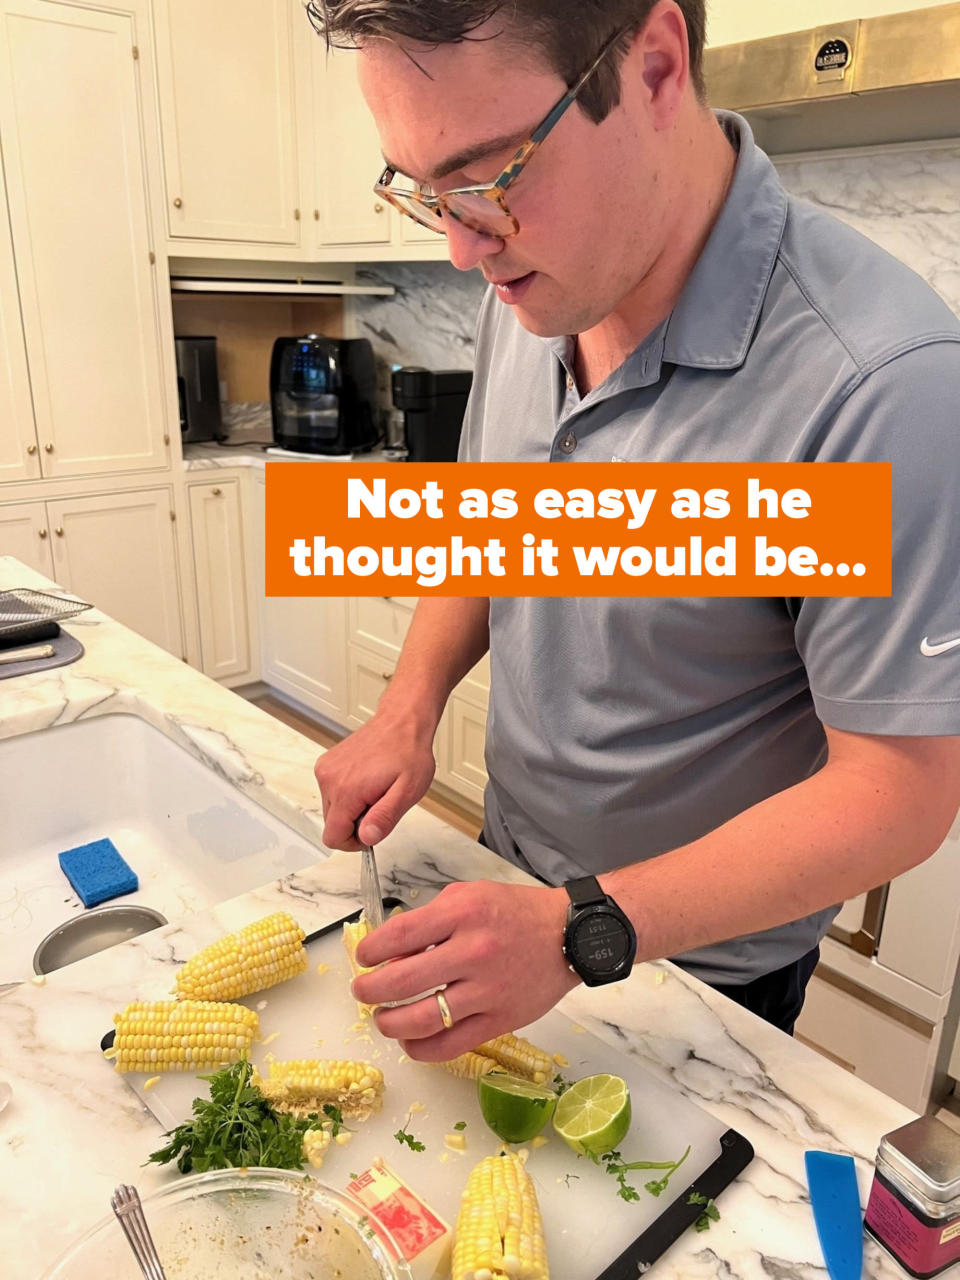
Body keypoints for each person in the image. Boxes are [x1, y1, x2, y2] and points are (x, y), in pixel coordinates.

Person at [307, 0, 960, 1061]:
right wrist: (407, 706)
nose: (465, 250)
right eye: (429, 194)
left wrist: (581, 930)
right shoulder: (530, 295)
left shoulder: (883, 383)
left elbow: (900, 792)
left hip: (699, 970)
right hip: (510, 883)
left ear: (655, 67)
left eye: (486, 179)